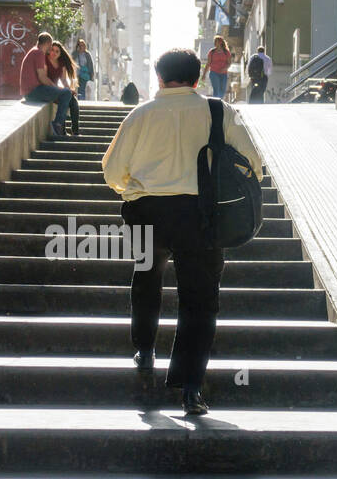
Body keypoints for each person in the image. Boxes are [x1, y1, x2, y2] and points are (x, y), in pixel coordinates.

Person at [101, 48, 263, 416]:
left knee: (145, 278)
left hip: (146, 211)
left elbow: (111, 172)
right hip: (201, 215)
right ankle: (190, 389)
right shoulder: (218, 111)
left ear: (159, 78)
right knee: (200, 299)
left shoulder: (139, 115)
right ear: (197, 78)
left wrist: (133, 188)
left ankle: (144, 350)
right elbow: (252, 161)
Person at [18, 32, 74, 136]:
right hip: (33, 91)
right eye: (51, 44)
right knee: (66, 93)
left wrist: (57, 91)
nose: (51, 47)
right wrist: (56, 88)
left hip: (30, 91)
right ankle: (58, 124)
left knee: (65, 95)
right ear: (48, 43)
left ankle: (61, 127)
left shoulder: (34, 51)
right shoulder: (39, 53)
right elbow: (42, 77)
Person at [46, 40, 80, 136]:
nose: (54, 53)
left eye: (57, 51)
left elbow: (64, 80)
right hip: (47, 89)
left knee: (74, 102)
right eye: (52, 50)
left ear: (60, 54)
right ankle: (62, 130)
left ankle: (75, 131)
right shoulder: (45, 61)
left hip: (57, 90)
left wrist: (69, 90)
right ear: (49, 51)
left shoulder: (61, 64)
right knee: (64, 100)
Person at [201, 35, 231, 99]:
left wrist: (225, 68)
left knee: (222, 90)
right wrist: (204, 74)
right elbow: (208, 63)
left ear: (221, 42)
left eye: (217, 41)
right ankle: (216, 103)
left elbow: (229, 63)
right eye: (215, 42)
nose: (215, 43)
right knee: (216, 89)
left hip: (223, 73)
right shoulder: (212, 52)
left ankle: (219, 101)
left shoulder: (226, 52)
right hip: (214, 72)